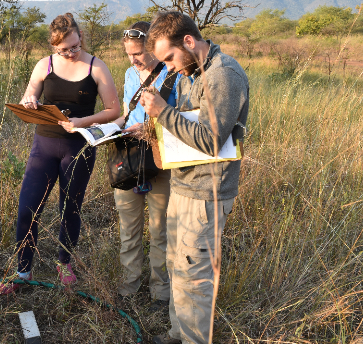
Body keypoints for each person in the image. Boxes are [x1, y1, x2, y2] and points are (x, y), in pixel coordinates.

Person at [139, 12, 249, 344]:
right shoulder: (191, 72)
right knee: (178, 268)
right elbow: (186, 128)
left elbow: (212, 140)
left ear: (188, 41)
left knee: (195, 277)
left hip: (207, 193)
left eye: (169, 58)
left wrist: (162, 111)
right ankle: (179, 334)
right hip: (184, 185)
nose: (169, 66)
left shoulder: (223, 75)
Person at [0, 13, 120, 294]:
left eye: (75, 46)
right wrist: (29, 101)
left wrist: (80, 122)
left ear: (81, 38)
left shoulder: (97, 67)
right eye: (64, 50)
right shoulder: (44, 65)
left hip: (79, 147)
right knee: (27, 208)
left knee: (70, 208)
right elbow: (30, 94)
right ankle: (23, 271)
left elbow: (114, 110)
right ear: (54, 48)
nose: (71, 53)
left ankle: (64, 263)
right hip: (44, 144)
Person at [111, 21, 181, 312]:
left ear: (154, 46)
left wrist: (152, 129)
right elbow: (127, 112)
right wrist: (109, 129)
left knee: (160, 229)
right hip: (129, 157)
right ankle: (129, 288)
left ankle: (160, 293)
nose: (133, 59)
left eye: (138, 53)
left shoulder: (174, 75)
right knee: (128, 227)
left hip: (159, 159)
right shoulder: (129, 74)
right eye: (129, 53)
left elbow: (182, 121)